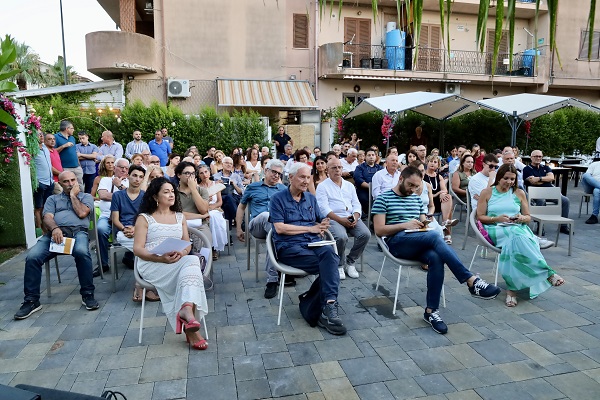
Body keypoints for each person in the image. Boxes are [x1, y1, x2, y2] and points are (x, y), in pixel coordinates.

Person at [372, 166, 501, 334]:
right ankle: (470, 280)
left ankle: (431, 312)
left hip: (417, 239)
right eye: (410, 185)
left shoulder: (416, 199)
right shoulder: (383, 198)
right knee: (434, 237)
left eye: (416, 187)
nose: (413, 190)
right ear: (401, 179)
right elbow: (379, 230)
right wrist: (405, 225)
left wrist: (426, 223)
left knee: (436, 257)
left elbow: (423, 221)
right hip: (397, 242)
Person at [270, 163, 346, 335]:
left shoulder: (311, 198)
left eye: (308, 177)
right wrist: (309, 229)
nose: (306, 181)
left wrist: (323, 224)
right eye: (302, 177)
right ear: (290, 177)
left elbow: (320, 220)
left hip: (313, 244)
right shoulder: (278, 199)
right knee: (331, 265)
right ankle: (321, 308)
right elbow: (280, 228)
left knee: (331, 256)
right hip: (290, 248)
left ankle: (326, 305)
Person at [133, 177, 209, 350]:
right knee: (192, 266)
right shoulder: (144, 218)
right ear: (154, 197)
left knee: (190, 261)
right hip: (152, 262)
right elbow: (137, 249)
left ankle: (187, 312)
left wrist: (180, 252)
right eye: (166, 192)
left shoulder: (180, 216)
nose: (171, 195)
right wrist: (160, 258)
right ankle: (188, 318)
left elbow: (187, 243)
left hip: (177, 259)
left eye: (172, 191)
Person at [476, 164, 565, 307]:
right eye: (506, 178)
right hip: (495, 228)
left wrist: (522, 218)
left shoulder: (519, 192)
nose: (509, 182)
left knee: (516, 240)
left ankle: (512, 290)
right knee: (519, 237)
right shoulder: (487, 192)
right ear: (499, 177)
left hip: (517, 228)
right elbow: (480, 216)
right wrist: (497, 218)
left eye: (512, 179)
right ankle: (547, 273)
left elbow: (528, 216)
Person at [14, 171, 99, 320]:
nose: (70, 183)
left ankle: (88, 295)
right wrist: (55, 228)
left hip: (78, 232)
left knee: (81, 252)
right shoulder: (52, 199)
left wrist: (73, 195)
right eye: (66, 181)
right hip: (55, 233)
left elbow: (82, 213)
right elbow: (47, 217)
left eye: (73, 180)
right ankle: (31, 301)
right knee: (32, 257)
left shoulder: (86, 197)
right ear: (59, 184)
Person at [235, 159, 287, 298]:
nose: (276, 175)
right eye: (274, 172)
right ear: (265, 171)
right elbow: (241, 207)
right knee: (267, 215)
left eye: (279, 174)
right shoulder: (253, 187)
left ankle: (273, 279)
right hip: (257, 225)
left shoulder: (283, 189)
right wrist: (239, 228)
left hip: (275, 228)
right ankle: (282, 270)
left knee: (274, 234)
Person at [316, 158, 370, 279]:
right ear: (327, 170)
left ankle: (350, 261)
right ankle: (339, 264)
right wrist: (341, 220)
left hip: (351, 217)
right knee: (341, 237)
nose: (337, 170)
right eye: (334, 167)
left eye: (339, 167)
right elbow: (324, 208)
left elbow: (356, 204)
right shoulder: (322, 186)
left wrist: (356, 217)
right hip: (334, 218)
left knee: (365, 234)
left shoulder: (349, 185)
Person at [94, 158, 130, 277]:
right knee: (100, 229)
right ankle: (103, 263)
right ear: (115, 168)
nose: (123, 170)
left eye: (126, 168)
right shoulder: (106, 180)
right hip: (107, 216)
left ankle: (129, 257)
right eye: (121, 167)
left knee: (133, 229)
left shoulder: (131, 181)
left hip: (125, 217)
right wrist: (123, 194)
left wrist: (119, 186)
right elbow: (103, 195)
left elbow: (132, 197)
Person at [523, 150, 571, 234]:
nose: (538, 158)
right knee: (541, 200)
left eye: (540, 156)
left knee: (565, 200)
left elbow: (552, 178)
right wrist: (545, 179)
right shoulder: (527, 169)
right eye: (536, 156)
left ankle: (563, 226)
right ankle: (540, 227)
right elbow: (533, 181)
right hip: (535, 193)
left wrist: (539, 178)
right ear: (531, 158)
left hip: (549, 192)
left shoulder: (545, 167)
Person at [423, 156, 458, 243]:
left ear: (438, 165)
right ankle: (447, 232)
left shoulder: (439, 177)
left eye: (435, 162)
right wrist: (439, 194)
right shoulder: (423, 175)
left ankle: (445, 222)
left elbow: (444, 190)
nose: (432, 163)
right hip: (428, 202)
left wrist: (442, 194)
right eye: (431, 161)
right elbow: (426, 193)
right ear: (427, 163)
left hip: (438, 202)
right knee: (448, 207)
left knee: (448, 197)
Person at [33, 131, 55, 231]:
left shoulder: (45, 149)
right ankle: (39, 230)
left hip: (50, 182)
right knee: (38, 207)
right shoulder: (33, 149)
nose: (41, 135)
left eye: (42, 134)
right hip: (40, 182)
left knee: (47, 207)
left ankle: (46, 228)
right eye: (38, 134)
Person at [353, 148, 383, 217]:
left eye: (373, 155)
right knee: (364, 199)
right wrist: (370, 187)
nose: (371, 157)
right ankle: (371, 217)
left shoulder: (380, 168)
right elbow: (358, 179)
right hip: (364, 190)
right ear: (365, 157)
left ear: (376, 157)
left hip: (378, 190)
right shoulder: (359, 168)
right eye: (369, 155)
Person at [581, 160, 600, 224]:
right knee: (586, 175)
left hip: (597, 190)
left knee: (596, 191)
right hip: (590, 187)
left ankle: (594, 216)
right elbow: (588, 177)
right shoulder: (594, 164)